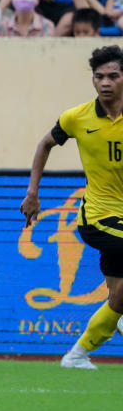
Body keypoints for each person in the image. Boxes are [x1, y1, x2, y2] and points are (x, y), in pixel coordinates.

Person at [20, 46, 123, 371]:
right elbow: (44, 144)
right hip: (96, 217)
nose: (105, 83)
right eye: (99, 76)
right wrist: (33, 192)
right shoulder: (77, 118)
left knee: (118, 296)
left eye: (113, 76)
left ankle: (77, 354)